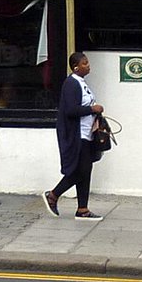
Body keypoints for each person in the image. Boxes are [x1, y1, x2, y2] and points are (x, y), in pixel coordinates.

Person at [41, 52, 104, 221]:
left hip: (87, 133)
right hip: (77, 135)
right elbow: (70, 110)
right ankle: (53, 195)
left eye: (88, 62)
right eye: (85, 63)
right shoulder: (71, 83)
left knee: (86, 169)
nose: (88, 65)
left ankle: (82, 209)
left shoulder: (82, 83)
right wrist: (92, 109)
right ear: (76, 67)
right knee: (79, 171)